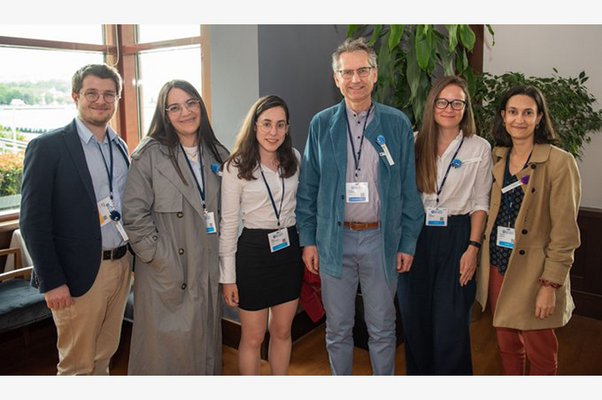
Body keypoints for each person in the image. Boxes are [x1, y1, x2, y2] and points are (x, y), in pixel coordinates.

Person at [296, 37, 424, 375]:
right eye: (347, 72)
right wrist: (308, 239)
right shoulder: (321, 124)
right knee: (338, 329)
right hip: (333, 242)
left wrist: (408, 241)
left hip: (380, 240)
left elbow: (409, 190)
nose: (355, 79)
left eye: (362, 70)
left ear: (375, 74)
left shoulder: (395, 124)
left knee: (382, 328)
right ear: (336, 78)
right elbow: (308, 188)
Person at [20, 64, 132, 375]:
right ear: (75, 96)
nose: (101, 100)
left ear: (117, 99)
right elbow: (33, 221)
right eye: (92, 93)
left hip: (120, 267)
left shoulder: (119, 146)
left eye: (109, 94)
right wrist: (52, 281)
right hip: (78, 275)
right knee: (77, 365)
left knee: (104, 357)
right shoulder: (48, 147)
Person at [122, 80, 229, 375]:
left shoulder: (218, 154)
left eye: (191, 103)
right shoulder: (149, 155)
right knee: (167, 354)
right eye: (175, 107)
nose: (185, 112)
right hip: (168, 272)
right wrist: (160, 258)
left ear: (200, 106)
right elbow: (134, 215)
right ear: (164, 114)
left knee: (205, 347)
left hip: (206, 267)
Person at [476, 85, 581, 375]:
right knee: (507, 344)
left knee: (541, 352)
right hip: (498, 265)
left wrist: (550, 286)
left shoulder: (560, 162)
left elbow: (565, 234)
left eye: (527, 113)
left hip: (535, 273)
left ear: (539, 118)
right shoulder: (496, 157)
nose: (519, 119)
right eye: (512, 112)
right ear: (503, 116)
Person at [396, 76, 493, 375]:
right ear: (432, 104)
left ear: (466, 108)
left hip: (457, 237)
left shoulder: (479, 148)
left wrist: (473, 248)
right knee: (415, 320)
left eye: (457, 103)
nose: (449, 109)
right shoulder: (413, 142)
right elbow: (400, 194)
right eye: (442, 101)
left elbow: (480, 202)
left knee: (451, 325)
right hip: (417, 236)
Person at [219, 95, 304, 375]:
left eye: (280, 125)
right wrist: (228, 278)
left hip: (288, 250)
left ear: (287, 128)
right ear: (254, 126)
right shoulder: (236, 166)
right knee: (253, 337)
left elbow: (301, 207)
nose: (273, 132)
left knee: (281, 331)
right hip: (253, 254)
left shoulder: (294, 159)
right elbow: (229, 225)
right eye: (266, 124)